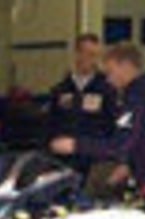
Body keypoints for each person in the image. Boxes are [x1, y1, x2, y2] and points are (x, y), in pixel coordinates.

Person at [50, 43, 145, 216]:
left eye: (110, 72)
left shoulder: (139, 98)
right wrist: (129, 164)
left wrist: (74, 145)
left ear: (125, 66)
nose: (108, 80)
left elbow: (120, 145)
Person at [46, 33, 118, 174]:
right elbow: (50, 124)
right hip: (63, 160)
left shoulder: (107, 91)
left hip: (94, 161)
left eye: (94, 55)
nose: (89, 59)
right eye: (85, 53)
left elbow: (112, 126)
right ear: (76, 54)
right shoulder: (61, 90)